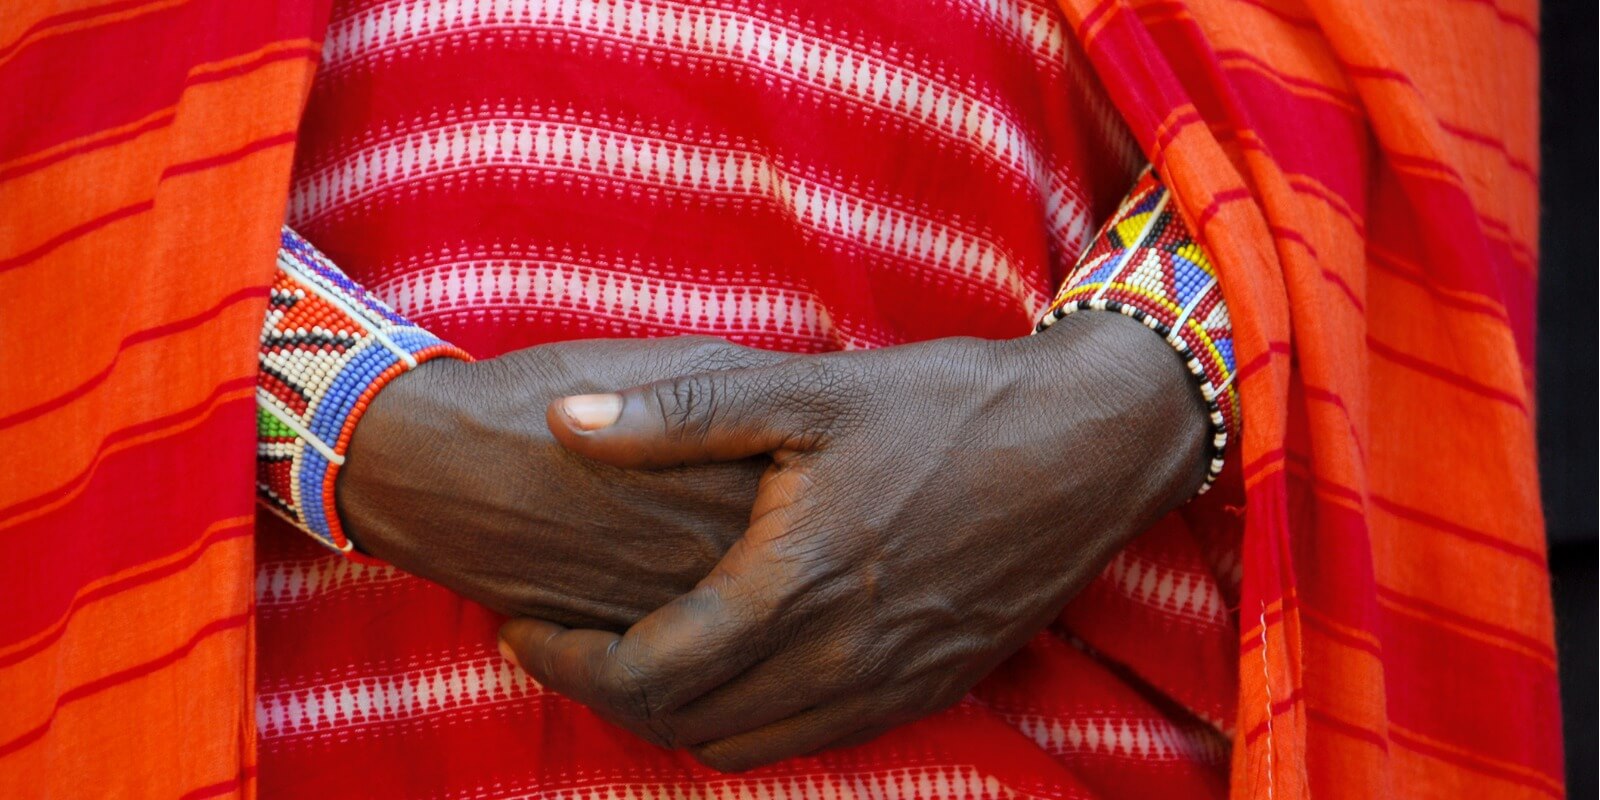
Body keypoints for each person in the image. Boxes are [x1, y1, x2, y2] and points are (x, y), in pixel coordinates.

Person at [0, 0, 1559, 798]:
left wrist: (1128, 392)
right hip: (287, 693)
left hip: (1051, 682)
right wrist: (335, 423)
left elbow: (1406, 55)